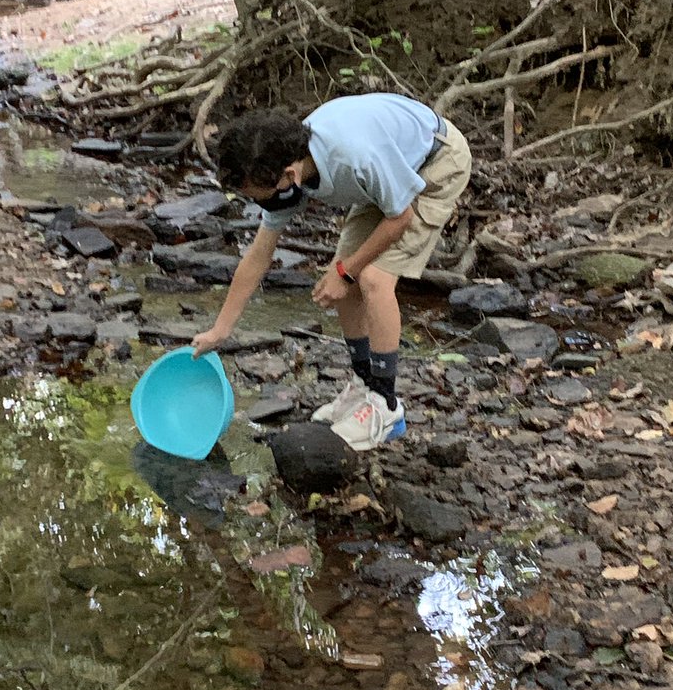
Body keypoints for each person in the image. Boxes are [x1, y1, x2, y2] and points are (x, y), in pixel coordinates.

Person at [191, 93, 472, 451]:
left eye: (258, 197)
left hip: (436, 162)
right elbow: (259, 255)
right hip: (390, 170)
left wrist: (348, 272)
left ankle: (386, 407)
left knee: (370, 278)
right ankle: (364, 383)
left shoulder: (353, 157)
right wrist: (220, 329)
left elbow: (399, 218)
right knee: (343, 274)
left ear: (289, 175)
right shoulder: (290, 162)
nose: (259, 205)